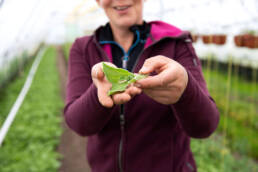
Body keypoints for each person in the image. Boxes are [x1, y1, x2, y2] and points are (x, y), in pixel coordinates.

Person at [64, 0, 220, 171]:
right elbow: (78, 123)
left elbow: (205, 126)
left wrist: (185, 89)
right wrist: (98, 94)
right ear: (98, 1)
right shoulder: (84, 48)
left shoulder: (175, 43)